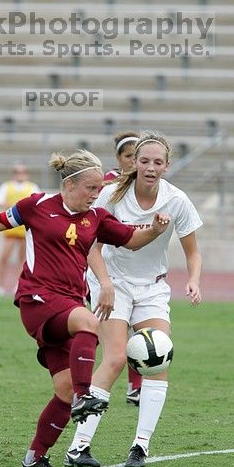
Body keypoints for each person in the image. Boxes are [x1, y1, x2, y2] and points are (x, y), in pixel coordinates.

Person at [0, 149, 170, 467]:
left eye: (99, 188)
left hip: (69, 304)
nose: (95, 193)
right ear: (69, 185)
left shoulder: (97, 217)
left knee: (63, 387)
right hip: (37, 300)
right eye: (90, 187)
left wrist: (156, 230)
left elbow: (131, 240)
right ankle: (84, 397)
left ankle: (35, 459)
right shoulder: (37, 205)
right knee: (89, 322)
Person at [65, 130, 202, 467]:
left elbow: (193, 251)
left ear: (167, 166)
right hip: (113, 285)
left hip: (152, 287)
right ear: (134, 164)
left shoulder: (176, 200)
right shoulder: (111, 195)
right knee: (113, 359)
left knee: (159, 359)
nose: (150, 167)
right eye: (144, 161)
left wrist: (194, 280)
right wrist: (106, 283)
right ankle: (78, 446)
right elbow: (91, 245)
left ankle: (140, 447)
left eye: (158, 162)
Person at [104, 132, 144, 406]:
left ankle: (136, 386)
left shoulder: (149, 187)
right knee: (97, 330)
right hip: (105, 270)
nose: (134, 162)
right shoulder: (107, 184)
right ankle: (82, 382)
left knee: (137, 331)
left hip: (137, 269)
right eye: (129, 156)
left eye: (137, 157)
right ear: (119, 159)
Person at [0, 163, 40, 296]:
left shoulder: (32, 187)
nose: (20, 174)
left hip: (25, 228)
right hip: (10, 227)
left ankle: (19, 285)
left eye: (22, 172)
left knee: (23, 259)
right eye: (17, 172)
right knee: (4, 257)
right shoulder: (7, 186)